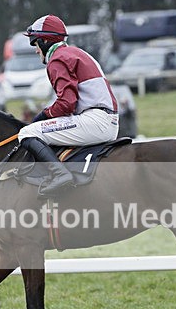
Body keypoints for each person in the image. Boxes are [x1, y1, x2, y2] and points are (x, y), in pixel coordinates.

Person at [19, 14, 119, 198]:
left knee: (27, 132)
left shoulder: (57, 59)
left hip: (95, 120)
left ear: (45, 41)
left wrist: (43, 115)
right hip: (105, 120)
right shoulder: (76, 52)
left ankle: (60, 175)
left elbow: (67, 104)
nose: (35, 50)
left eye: (35, 43)